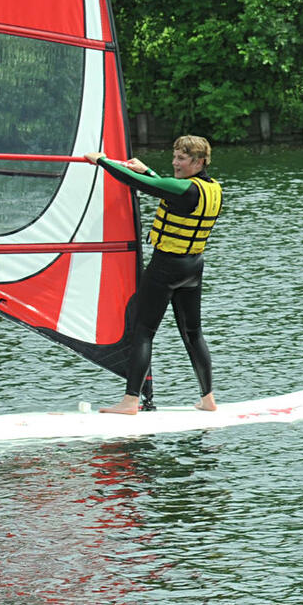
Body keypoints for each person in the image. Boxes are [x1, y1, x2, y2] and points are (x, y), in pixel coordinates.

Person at [82, 136, 223, 415]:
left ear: (199, 161)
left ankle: (130, 401)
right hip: (192, 267)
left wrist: (102, 161)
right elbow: (170, 189)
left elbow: (144, 186)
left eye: (182, 159)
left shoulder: (185, 189)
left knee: (143, 331)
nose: (175, 163)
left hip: (166, 268)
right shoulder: (212, 188)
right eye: (174, 157)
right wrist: (148, 171)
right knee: (193, 333)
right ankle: (208, 399)